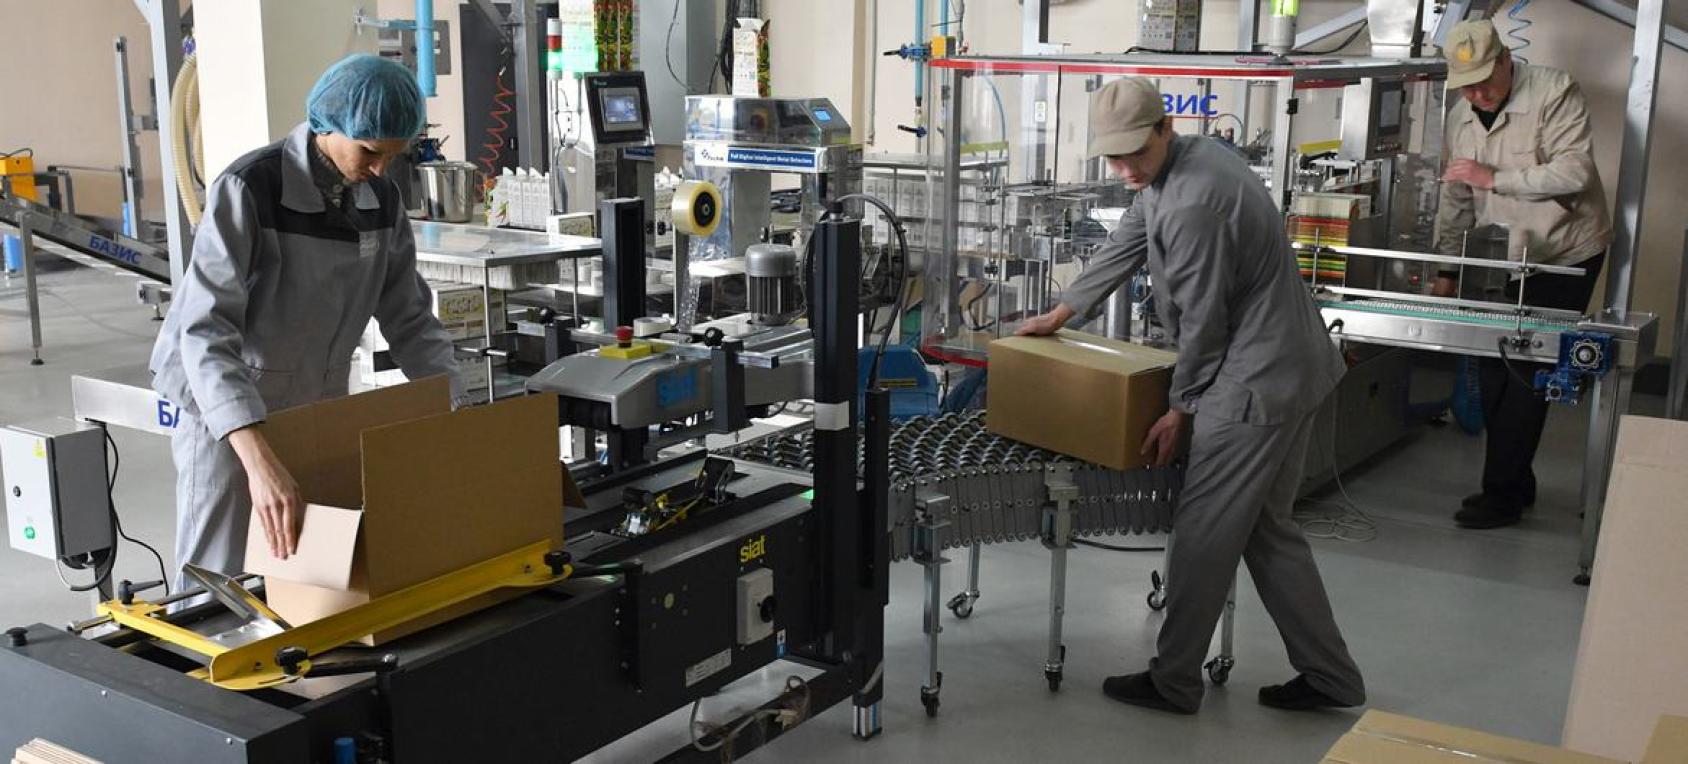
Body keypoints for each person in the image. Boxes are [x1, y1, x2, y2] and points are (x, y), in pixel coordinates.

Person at [1016, 77, 1365, 714]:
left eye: (1134, 156)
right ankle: (1331, 676)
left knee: (1203, 529)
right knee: (1268, 530)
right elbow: (1126, 238)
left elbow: (1203, 322)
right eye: (1112, 157)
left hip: (1253, 380)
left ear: (1164, 129)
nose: (1123, 169)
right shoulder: (1185, 163)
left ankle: (1174, 680)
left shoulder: (1195, 203)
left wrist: (1183, 406)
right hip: (1295, 365)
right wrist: (1062, 311)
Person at [150, 54, 462, 595]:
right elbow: (204, 334)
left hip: (314, 404)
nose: (381, 170)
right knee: (216, 580)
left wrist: (457, 409)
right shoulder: (250, 189)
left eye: (394, 156)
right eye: (369, 151)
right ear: (328, 124)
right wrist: (257, 460)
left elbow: (410, 318)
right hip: (225, 409)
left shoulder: (380, 200)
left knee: (305, 567)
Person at [1430, 19, 1611, 530]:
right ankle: (1518, 478)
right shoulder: (1460, 116)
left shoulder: (1555, 91)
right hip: (1502, 258)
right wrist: (1447, 270)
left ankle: (1502, 494)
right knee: (1492, 369)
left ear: (1508, 59)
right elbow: (1456, 198)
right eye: (1467, 84)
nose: (1479, 93)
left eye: (1486, 79)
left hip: (1564, 252)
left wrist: (1497, 178)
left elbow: (1575, 170)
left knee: (1526, 373)